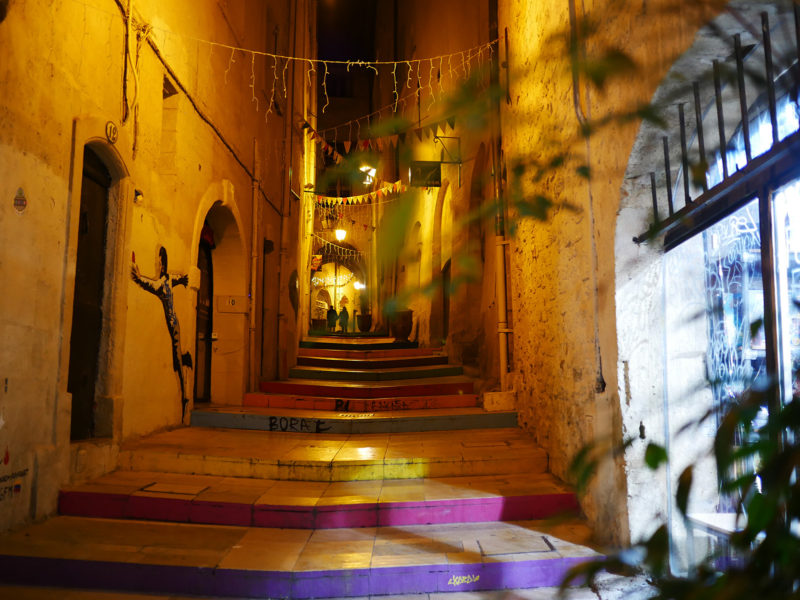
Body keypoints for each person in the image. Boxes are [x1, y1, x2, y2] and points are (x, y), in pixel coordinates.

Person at [131, 247, 193, 420]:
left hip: (173, 326)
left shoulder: (161, 285)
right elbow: (180, 279)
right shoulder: (169, 280)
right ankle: (185, 395)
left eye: (158, 263)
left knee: (177, 361)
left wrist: (136, 275)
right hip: (177, 325)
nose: (157, 266)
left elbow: (146, 283)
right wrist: (185, 279)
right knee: (177, 358)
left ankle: (184, 397)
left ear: (162, 264)